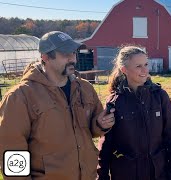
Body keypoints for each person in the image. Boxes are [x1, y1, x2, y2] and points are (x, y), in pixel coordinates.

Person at [0, 31, 115, 179]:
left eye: (73, 53)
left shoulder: (85, 88)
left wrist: (100, 124)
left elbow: (93, 130)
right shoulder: (20, 96)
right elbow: (11, 149)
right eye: (65, 54)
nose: (72, 59)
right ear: (45, 57)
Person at [97, 45, 171, 180]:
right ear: (124, 70)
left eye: (146, 64)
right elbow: (106, 144)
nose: (145, 70)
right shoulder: (115, 102)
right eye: (138, 66)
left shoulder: (160, 97)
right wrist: (102, 176)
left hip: (158, 174)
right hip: (125, 174)